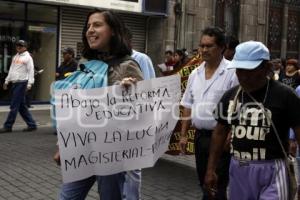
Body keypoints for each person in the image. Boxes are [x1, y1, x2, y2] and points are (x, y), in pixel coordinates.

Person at [53, 9, 144, 200]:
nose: (90, 30)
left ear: (113, 31)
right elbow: (75, 109)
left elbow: (142, 113)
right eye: (88, 26)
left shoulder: (128, 66)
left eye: (97, 25)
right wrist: (63, 145)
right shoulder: (86, 63)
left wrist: (131, 94)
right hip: (82, 149)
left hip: (110, 152)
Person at [204, 41, 300, 200]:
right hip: (238, 170)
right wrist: (211, 169)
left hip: (273, 171)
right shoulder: (231, 96)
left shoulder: (285, 96)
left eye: (249, 70)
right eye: (239, 70)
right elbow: (220, 132)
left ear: (266, 68)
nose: (242, 75)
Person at [179, 27, 238, 200]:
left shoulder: (232, 72)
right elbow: (187, 105)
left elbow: (238, 106)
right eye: (202, 46)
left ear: (222, 47)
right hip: (200, 138)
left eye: (209, 46)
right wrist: (183, 135)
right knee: (203, 182)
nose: (204, 50)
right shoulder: (194, 74)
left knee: (217, 185)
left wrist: (231, 133)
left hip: (221, 139)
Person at [0, 40, 37, 133]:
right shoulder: (15, 56)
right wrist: (6, 81)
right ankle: (32, 124)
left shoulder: (28, 58)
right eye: (17, 45)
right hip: (15, 83)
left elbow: (31, 71)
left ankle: (8, 126)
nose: (19, 47)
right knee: (21, 106)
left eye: (21, 46)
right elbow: (11, 70)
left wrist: (29, 84)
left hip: (22, 83)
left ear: (25, 47)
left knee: (14, 105)